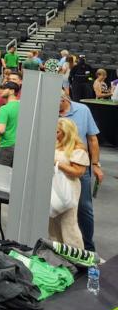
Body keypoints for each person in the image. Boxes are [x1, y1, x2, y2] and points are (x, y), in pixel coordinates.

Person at [59, 93, 104, 251]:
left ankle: (88, 248)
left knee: (84, 207)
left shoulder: (83, 110)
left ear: (64, 100)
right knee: (57, 205)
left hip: (80, 167)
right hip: (57, 167)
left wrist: (96, 164)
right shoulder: (48, 110)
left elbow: (92, 139)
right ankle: (60, 245)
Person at [49, 118, 90, 250]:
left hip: (69, 188)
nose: (55, 134)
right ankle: (57, 253)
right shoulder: (55, 143)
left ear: (66, 132)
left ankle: (77, 257)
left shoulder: (78, 148)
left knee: (68, 223)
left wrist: (57, 163)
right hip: (53, 186)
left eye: (58, 132)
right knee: (52, 222)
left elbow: (78, 171)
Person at [0, 81, 20, 166]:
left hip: (6, 146)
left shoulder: (4, 109)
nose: (2, 91)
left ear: (12, 91)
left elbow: (1, 130)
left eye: (4, 88)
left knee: (0, 176)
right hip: (19, 145)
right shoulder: (22, 106)